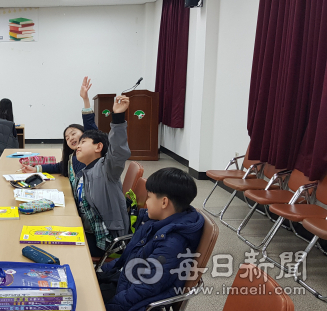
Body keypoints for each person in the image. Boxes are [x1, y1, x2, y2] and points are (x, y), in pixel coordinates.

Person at [98, 168, 203, 311]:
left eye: (149, 197)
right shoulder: (155, 223)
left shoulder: (172, 243)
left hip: (135, 301)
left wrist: (109, 306)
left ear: (164, 202)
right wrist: (101, 271)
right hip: (125, 281)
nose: (146, 202)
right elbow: (129, 257)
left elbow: (146, 288)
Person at [73, 95, 131, 258]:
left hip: (106, 240)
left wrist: (118, 117)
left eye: (83, 142)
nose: (78, 146)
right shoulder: (83, 173)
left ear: (99, 146)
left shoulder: (107, 169)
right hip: (88, 230)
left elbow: (118, 150)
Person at [21, 77, 98, 189]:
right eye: (67, 138)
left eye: (73, 134)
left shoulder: (91, 157)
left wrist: (85, 100)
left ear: (84, 133)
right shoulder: (73, 158)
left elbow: (91, 128)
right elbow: (59, 167)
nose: (70, 138)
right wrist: (36, 169)